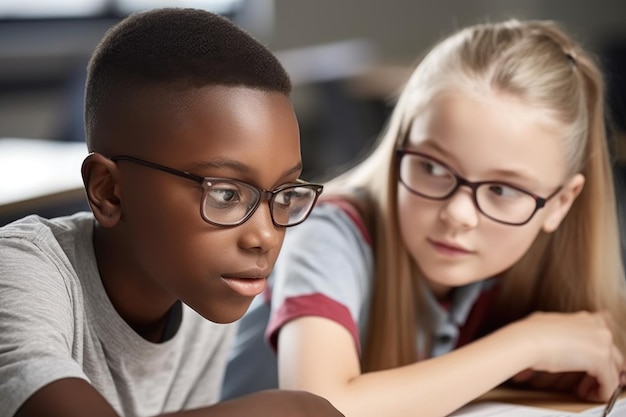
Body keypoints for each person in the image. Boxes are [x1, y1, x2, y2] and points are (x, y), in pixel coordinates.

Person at [221, 18, 626, 417]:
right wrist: (532, 343)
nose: (458, 214)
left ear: (560, 203)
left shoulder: (502, 271)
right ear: (399, 148)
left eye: (502, 190)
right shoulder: (326, 232)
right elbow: (317, 408)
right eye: (432, 168)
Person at [0, 7, 346, 417]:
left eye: (283, 196)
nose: (266, 237)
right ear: (108, 191)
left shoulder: (203, 297)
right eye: (226, 194)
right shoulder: (20, 271)